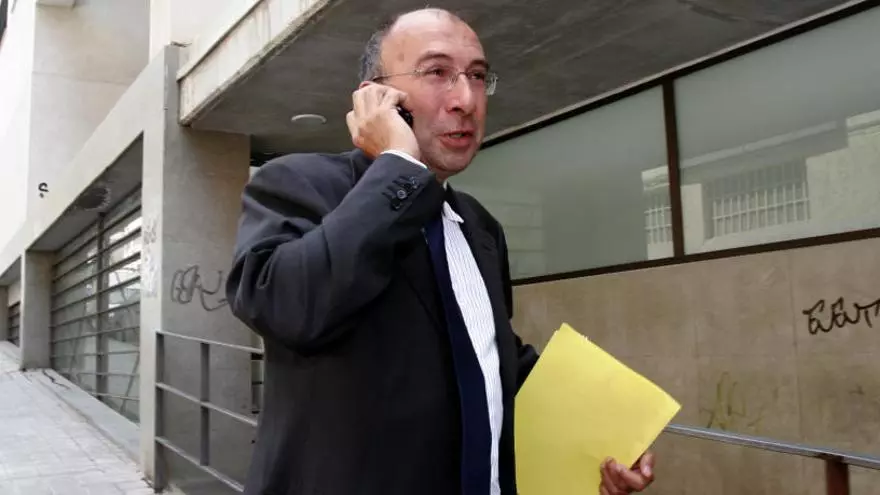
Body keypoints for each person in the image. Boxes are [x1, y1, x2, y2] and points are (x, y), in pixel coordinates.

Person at [226, 8, 656, 495]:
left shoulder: (480, 227)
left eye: (477, 76)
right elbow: (283, 306)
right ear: (376, 97)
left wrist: (606, 432)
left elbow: (487, 356)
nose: (466, 100)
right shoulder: (297, 184)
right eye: (436, 72)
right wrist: (397, 166)